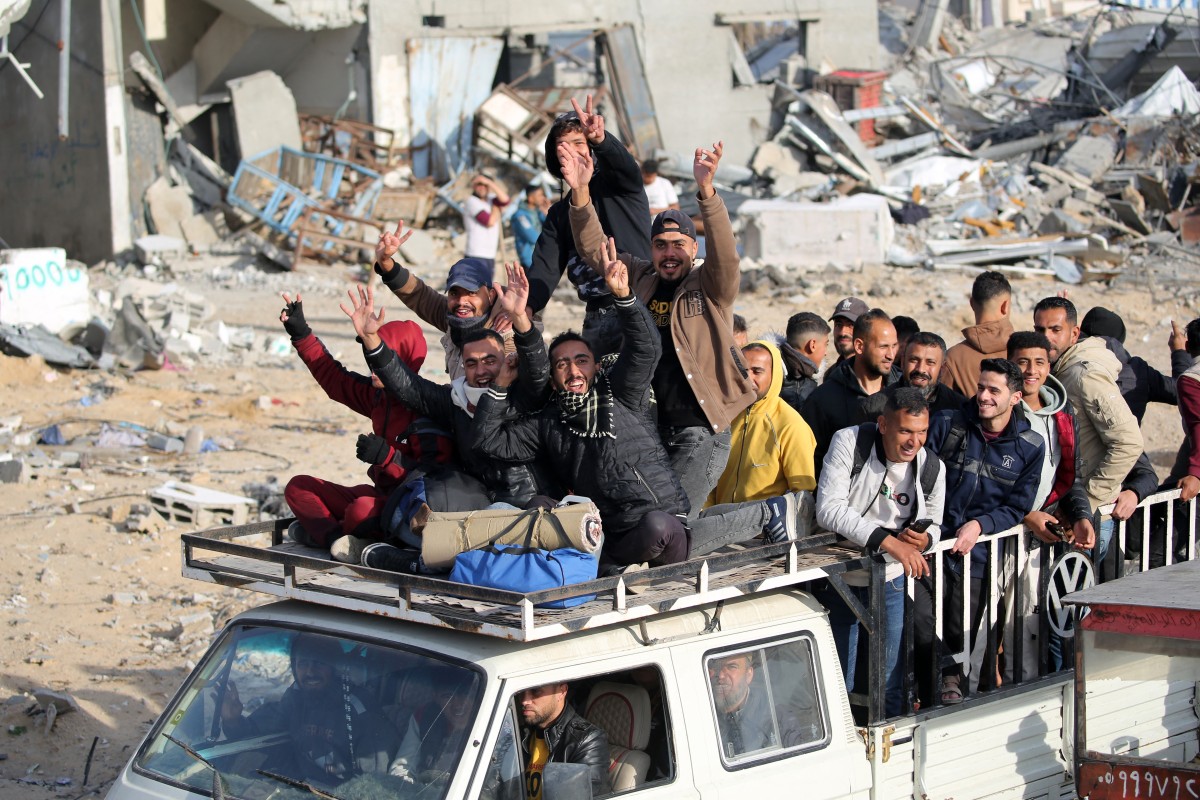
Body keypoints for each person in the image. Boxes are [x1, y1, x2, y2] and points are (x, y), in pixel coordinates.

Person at [471, 245, 802, 570]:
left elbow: (646, 347)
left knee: (658, 532)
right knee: (560, 518)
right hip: (611, 526)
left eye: (581, 361)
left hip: (657, 516)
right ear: (554, 377)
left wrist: (625, 297)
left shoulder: (621, 392)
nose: (573, 371)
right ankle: (764, 512)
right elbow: (488, 442)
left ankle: (764, 516)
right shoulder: (548, 423)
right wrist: (502, 379)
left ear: (596, 367)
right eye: (562, 365)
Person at [563, 138, 757, 515]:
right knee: (655, 523)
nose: (669, 253)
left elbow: (727, 256)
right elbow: (593, 248)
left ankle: (762, 516)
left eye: (679, 244)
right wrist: (581, 191)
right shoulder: (641, 277)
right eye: (660, 245)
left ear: (694, 248)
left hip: (701, 431)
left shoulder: (711, 285)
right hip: (652, 431)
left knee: (671, 522)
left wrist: (706, 191)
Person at [341, 275, 556, 563]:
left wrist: (520, 319)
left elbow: (540, 369)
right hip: (483, 507)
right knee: (423, 506)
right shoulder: (456, 400)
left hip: (533, 504)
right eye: (471, 363)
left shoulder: (524, 395)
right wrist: (372, 341)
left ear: (505, 360)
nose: (481, 371)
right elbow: (409, 388)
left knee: (496, 549)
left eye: (489, 361)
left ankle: (413, 563)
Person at [279, 293, 452, 550]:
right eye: (371, 360)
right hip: (380, 497)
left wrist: (388, 458)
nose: (373, 369)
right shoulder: (378, 396)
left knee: (360, 511)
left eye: (380, 361)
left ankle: (329, 533)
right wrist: (301, 333)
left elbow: (438, 481)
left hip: (410, 507)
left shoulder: (428, 407)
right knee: (299, 487)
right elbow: (334, 379)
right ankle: (337, 539)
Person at [917, 359, 1044, 705]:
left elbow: (1018, 506)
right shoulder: (948, 423)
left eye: (994, 390)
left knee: (962, 630)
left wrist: (980, 525)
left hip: (979, 556)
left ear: (1015, 398)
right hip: (931, 546)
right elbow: (918, 479)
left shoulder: (1030, 446)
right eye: (981, 387)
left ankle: (954, 692)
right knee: (921, 620)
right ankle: (936, 686)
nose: (984, 396)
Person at [814, 387, 944, 717]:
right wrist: (890, 541)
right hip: (839, 573)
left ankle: (890, 753)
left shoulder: (931, 468)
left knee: (889, 680)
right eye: (904, 431)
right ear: (883, 425)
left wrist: (924, 540)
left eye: (921, 432)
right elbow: (828, 509)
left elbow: (938, 524)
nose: (913, 442)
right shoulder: (850, 441)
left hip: (892, 578)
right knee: (837, 677)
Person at [526, 95, 651, 356]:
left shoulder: (619, 188)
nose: (571, 151)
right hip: (598, 314)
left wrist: (600, 139)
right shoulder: (560, 213)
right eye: (563, 146)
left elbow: (624, 167)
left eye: (578, 143)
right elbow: (545, 268)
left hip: (641, 300)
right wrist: (527, 307)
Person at [1033, 297, 1142, 567]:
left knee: (1072, 601)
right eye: (1040, 330)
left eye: (1055, 330)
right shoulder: (1060, 370)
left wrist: (1089, 502)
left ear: (1074, 333)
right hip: (1067, 514)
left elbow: (1129, 443)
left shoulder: (1085, 375)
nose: (1046, 338)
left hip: (1085, 523)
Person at [219, 633, 398, 783]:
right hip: (297, 789)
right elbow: (264, 738)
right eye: (303, 664)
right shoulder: (295, 697)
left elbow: (373, 784)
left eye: (319, 663)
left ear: (334, 667)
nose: (310, 672)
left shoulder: (360, 711)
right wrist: (233, 721)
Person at [374, 223, 520, 380]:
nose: (462, 301)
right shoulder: (454, 320)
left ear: (491, 295)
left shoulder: (508, 331)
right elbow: (419, 294)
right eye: (454, 293)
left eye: (472, 293)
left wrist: (520, 317)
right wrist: (386, 263)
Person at [708, 340, 817, 506]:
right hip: (718, 526)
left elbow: (802, 496)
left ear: (774, 375)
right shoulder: (725, 417)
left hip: (764, 530)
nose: (748, 378)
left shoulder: (791, 425)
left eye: (757, 371)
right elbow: (709, 479)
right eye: (742, 370)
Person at [802, 308, 900, 474]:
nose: (891, 355)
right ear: (859, 346)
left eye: (894, 346)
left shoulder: (902, 392)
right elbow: (810, 461)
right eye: (883, 347)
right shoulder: (823, 399)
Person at [1079, 305, 1193, 425]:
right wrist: (1180, 352)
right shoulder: (1137, 370)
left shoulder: (1066, 358)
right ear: (1120, 339)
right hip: (1123, 442)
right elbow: (1180, 391)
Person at [514, 682, 610, 799]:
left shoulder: (587, 741)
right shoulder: (519, 734)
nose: (524, 701)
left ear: (562, 691)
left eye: (535, 690)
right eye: (521, 691)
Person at [389, 669, 477, 786]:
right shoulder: (424, 717)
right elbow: (404, 766)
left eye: (465, 695)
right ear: (435, 698)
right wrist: (406, 789)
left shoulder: (494, 723)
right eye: (448, 696)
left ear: (476, 696)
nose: (458, 705)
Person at [708, 652, 805, 758]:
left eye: (731, 667)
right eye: (716, 668)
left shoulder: (777, 718)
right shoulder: (702, 716)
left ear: (748, 675)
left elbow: (798, 764)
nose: (720, 675)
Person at [941, 271, 1015, 397]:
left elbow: (943, 406)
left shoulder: (953, 357)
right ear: (1005, 306)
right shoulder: (1026, 352)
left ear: (972, 304)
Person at [861, 331, 965, 419]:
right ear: (903, 362)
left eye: (930, 362)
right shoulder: (874, 407)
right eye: (914, 360)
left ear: (942, 368)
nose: (920, 369)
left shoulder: (960, 408)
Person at [779, 311, 829, 413]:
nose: (826, 353)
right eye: (826, 344)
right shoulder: (768, 372)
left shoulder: (809, 376)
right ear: (812, 345)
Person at [463, 173, 510, 267]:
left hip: (490, 254)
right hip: (475, 253)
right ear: (474, 186)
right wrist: (497, 208)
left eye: (485, 185)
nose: (482, 187)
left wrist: (490, 182)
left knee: (488, 281)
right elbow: (489, 222)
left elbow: (505, 200)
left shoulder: (490, 199)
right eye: (479, 184)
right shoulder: (471, 202)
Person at [512, 184, 549, 269]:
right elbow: (533, 237)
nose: (543, 198)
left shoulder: (538, 212)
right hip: (530, 262)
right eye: (539, 195)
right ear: (531, 198)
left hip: (542, 259)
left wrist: (548, 213)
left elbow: (553, 228)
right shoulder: (520, 216)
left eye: (543, 195)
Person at [828, 296, 869, 364]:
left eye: (851, 325)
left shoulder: (877, 371)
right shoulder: (832, 373)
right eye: (838, 325)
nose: (843, 333)